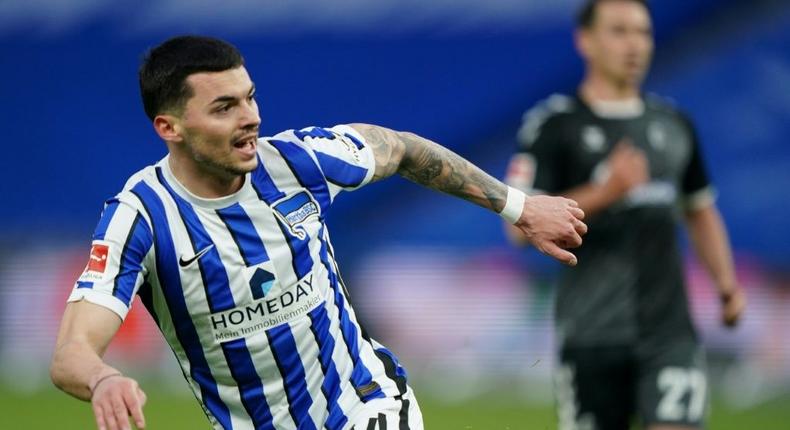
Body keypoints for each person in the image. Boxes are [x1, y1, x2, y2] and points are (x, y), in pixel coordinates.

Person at [50, 35, 587, 430]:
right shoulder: (139, 217)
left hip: (366, 405)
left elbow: (398, 148)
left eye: (250, 97)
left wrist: (518, 207)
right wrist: (102, 379)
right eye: (224, 107)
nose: (250, 117)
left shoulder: (296, 162)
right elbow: (71, 351)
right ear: (169, 128)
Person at [504, 1, 747, 429]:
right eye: (619, 31)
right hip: (590, 334)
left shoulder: (673, 124)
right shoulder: (553, 126)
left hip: (668, 332)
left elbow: (700, 209)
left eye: (643, 32)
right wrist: (606, 191)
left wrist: (727, 286)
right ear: (586, 41)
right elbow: (517, 231)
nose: (635, 44)